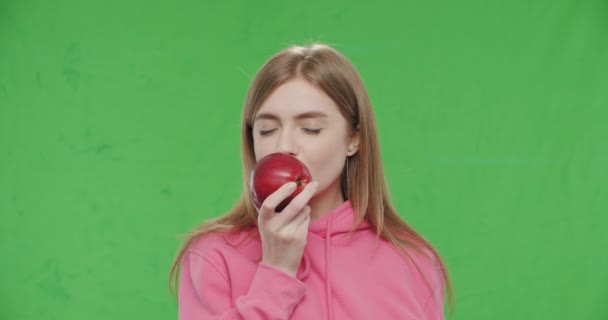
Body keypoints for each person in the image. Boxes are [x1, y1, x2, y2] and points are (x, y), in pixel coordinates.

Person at [169, 43, 454, 319]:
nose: (285, 145)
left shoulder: (412, 262)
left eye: (310, 129)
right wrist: (277, 270)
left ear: (354, 138)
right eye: (267, 130)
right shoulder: (214, 256)